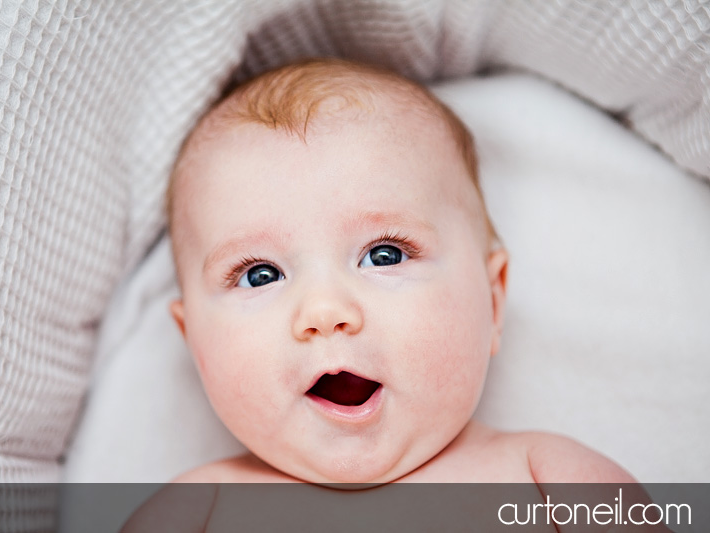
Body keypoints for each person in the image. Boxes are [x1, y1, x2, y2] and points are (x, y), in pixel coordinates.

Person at [123, 58, 658, 531]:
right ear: (193, 342)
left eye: (384, 255)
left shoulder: (552, 482)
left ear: (492, 303)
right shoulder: (194, 512)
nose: (326, 312)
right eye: (260, 275)